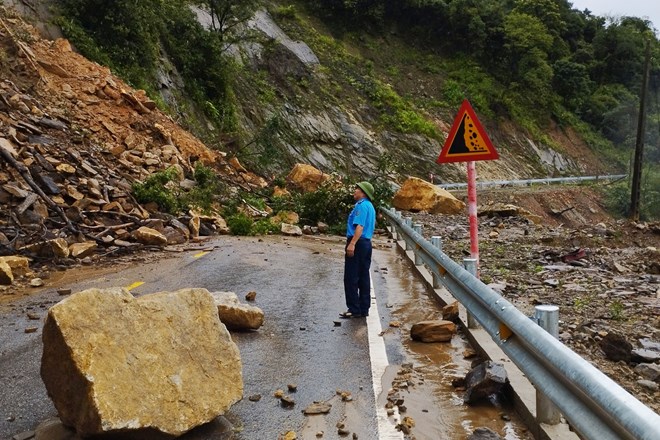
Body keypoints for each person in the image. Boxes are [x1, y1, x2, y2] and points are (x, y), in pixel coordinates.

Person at [340, 181, 376, 319]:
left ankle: (354, 308)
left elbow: (359, 227)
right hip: (366, 243)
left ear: (363, 192)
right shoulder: (370, 206)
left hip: (358, 242)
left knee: (351, 276)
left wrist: (352, 244)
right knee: (363, 275)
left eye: (357, 189)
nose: (354, 191)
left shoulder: (361, 206)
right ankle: (363, 308)